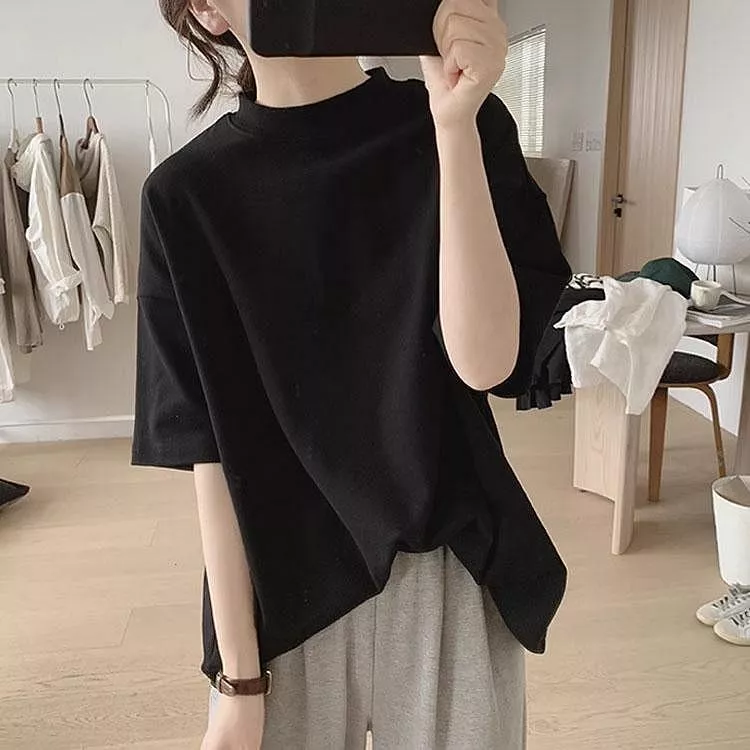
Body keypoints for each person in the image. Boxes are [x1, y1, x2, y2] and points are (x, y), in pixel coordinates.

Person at [132, 0, 572, 747]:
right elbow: (210, 453)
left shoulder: (460, 120)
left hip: (448, 568)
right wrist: (238, 678)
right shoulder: (185, 197)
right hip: (283, 591)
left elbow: (486, 363)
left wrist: (453, 127)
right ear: (204, 8)